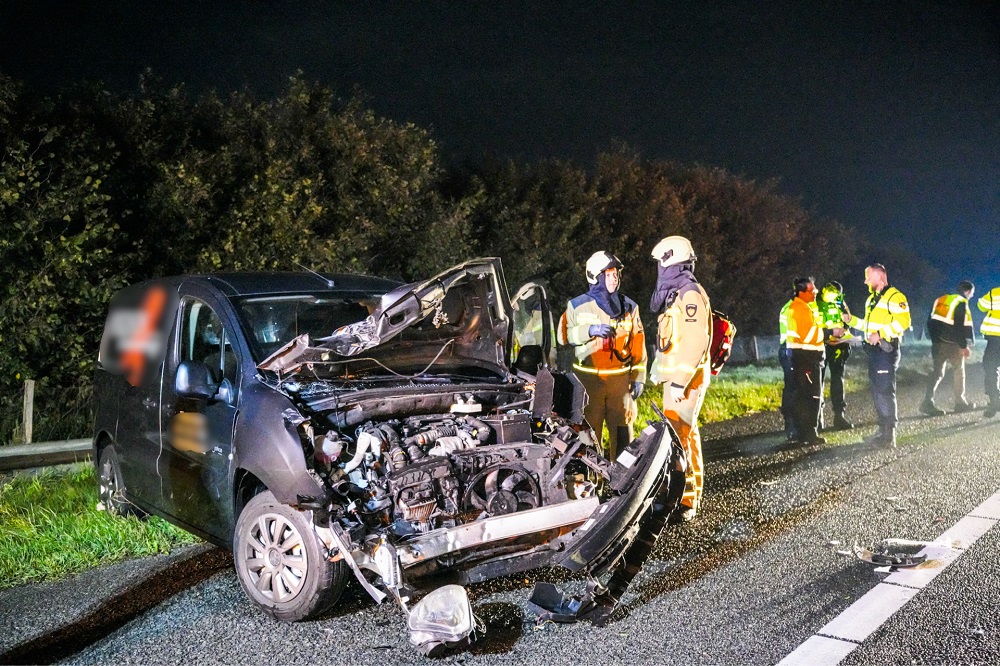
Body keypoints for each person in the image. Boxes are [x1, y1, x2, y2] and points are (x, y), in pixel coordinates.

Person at [558, 251, 647, 461]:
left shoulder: (630, 307)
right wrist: (589, 330)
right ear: (595, 277)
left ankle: (623, 481)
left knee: (623, 432)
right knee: (587, 434)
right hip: (588, 383)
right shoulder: (576, 305)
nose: (615, 278)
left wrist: (639, 378)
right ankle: (590, 483)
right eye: (608, 274)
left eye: (616, 274)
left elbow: (638, 344)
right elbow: (563, 337)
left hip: (620, 382)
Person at [648, 236, 712, 522]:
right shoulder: (678, 294)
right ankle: (688, 497)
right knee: (686, 436)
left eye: (662, 264)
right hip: (678, 381)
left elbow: (696, 342)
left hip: (685, 383)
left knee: (679, 440)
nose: (659, 270)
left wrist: (678, 382)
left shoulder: (689, 295)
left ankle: (682, 502)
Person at [844, 263, 911, 447]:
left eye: (868, 276)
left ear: (880, 277)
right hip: (875, 352)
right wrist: (852, 321)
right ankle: (882, 431)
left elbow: (904, 321)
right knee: (877, 392)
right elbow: (868, 326)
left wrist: (880, 334)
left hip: (886, 350)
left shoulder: (895, 296)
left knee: (885, 391)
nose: (865, 281)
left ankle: (889, 436)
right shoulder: (872, 300)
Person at [922, 280, 976, 416]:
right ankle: (960, 403)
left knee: (938, 372)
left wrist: (935, 340)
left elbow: (930, 321)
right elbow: (959, 324)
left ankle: (927, 402)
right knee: (959, 371)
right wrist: (963, 346)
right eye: (972, 293)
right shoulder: (961, 302)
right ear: (967, 291)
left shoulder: (941, 299)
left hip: (938, 343)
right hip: (952, 344)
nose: (971, 296)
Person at [785, 277, 827, 445]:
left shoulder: (802, 307)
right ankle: (809, 432)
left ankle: (805, 432)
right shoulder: (799, 309)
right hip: (807, 357)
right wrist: (821, 328)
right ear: (801, 293)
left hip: (805, 357)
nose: (815, 293)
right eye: (812, 291)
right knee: (812, 396)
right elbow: (809, 335)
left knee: (804, 395)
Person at [817, 281, 855, 430]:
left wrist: (844, 332)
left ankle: (839, 416)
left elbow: (847, 321)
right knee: (817, 383)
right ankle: (817, 420)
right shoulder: (815, 303)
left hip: (838, 347)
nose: (834, 297)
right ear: (825, 290)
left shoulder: (839, 303)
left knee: (838, 381)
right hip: (820, 346)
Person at [978, 285, 1000, 418]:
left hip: (994, 340)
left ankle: (994, 402)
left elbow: (981, 305)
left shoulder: (995, 293)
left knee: (991, 369)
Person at [778, 297, 797, 441]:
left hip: (790, 350)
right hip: (791, 351)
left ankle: (793, 425)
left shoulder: (790, 306)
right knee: (792, 389)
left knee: (792, 387)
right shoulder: (792, 308)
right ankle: (791, 425)